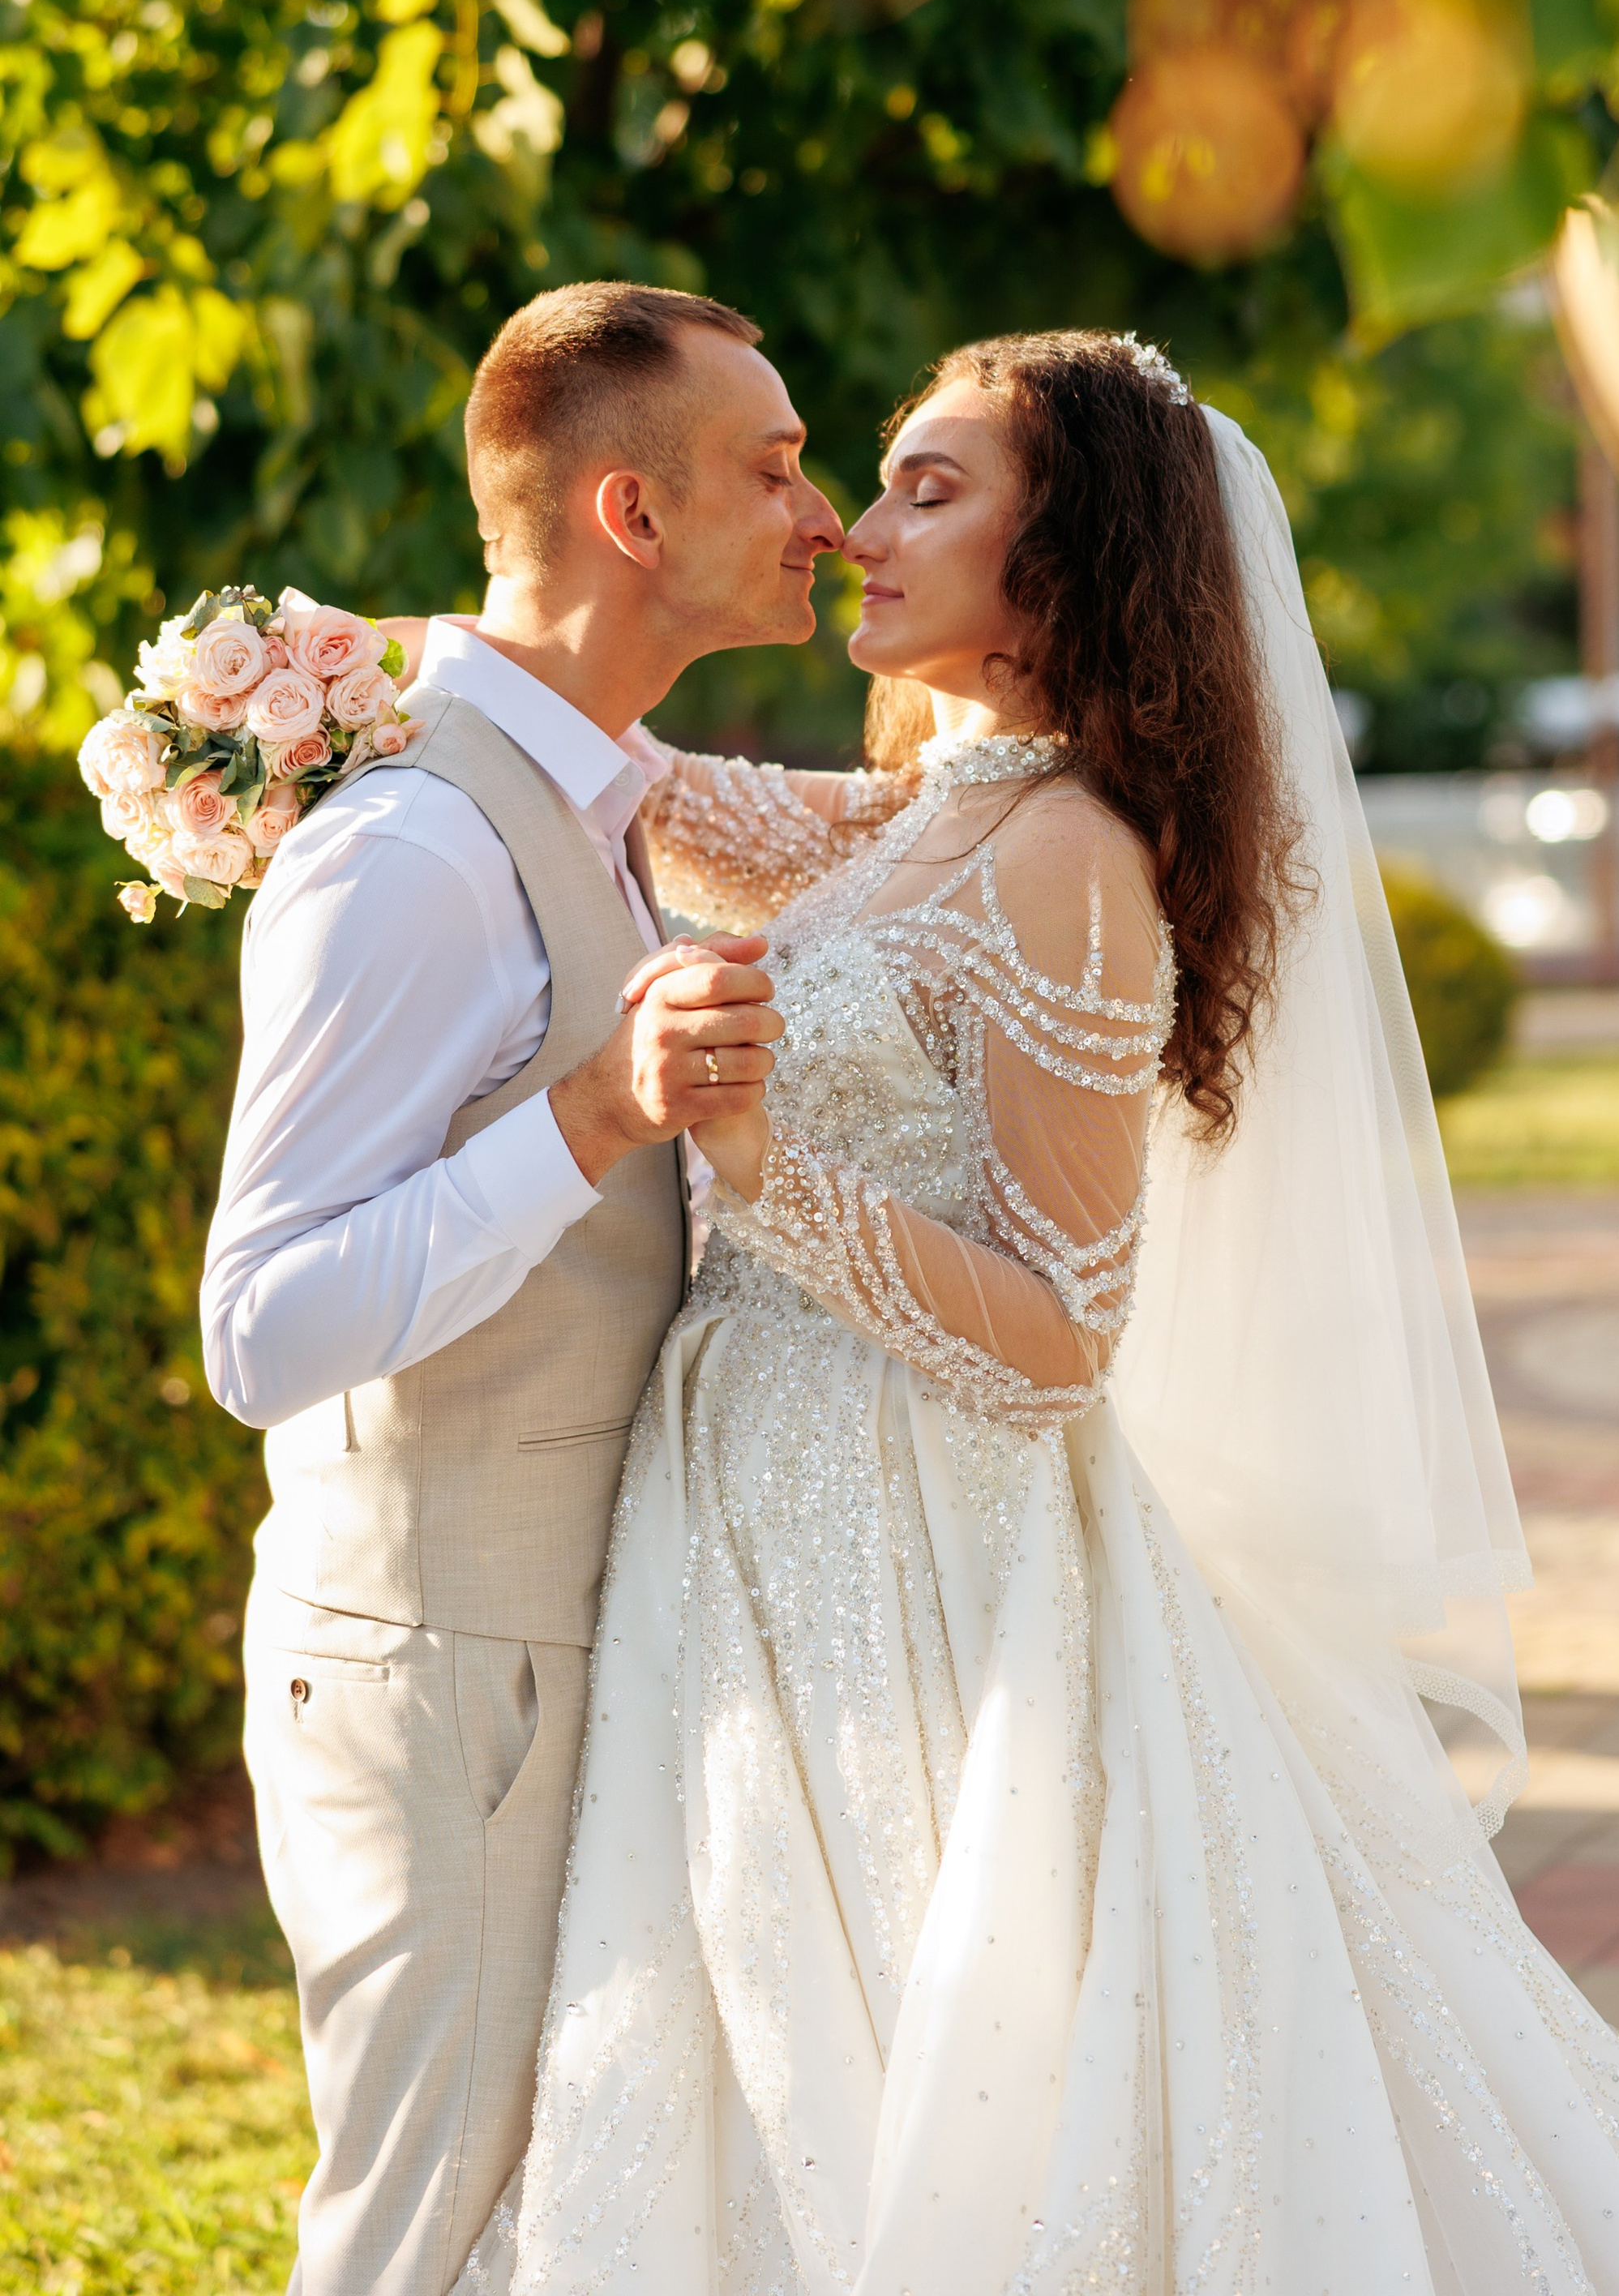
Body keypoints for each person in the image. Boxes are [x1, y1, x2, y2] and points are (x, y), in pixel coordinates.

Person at [459, 328, 1619, 2295]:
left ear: (1067, 561)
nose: (859, 530)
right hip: (749, 1502)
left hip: (933, 1543)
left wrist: (761, 1174)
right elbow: (641, 783)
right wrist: (346, 680)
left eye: (931, 492)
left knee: (948, 2061)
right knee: (766, 2020)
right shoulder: (916, 815)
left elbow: (1059, 1333)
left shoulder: (1067, 858)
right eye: (874, 481)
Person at [202, 281, 850, 2296]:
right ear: (628, 518)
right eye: (775, 466)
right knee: (417, 2232)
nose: (819, 513)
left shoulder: (608, 797)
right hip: (434, 1667)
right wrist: (583, 1118)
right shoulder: (409, 846)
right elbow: (263, 1326)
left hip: (565, 1643)